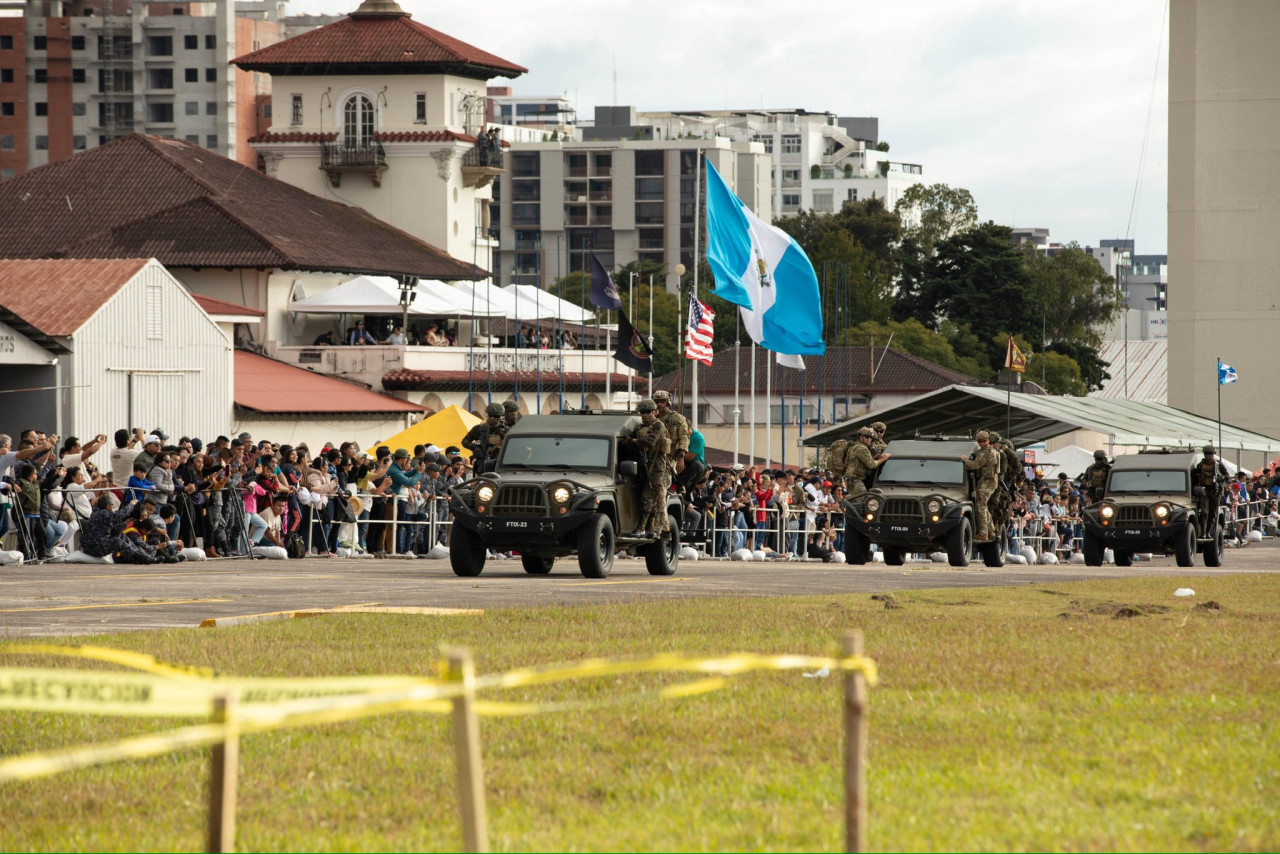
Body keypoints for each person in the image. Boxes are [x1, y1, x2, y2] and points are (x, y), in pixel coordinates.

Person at [626, 399, 669, 539]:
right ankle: (651, 529)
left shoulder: (658, 425)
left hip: (657, 468)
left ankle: (642, 528)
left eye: (647, 412)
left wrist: (634, 441)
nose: (645, 415)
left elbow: (651, 441)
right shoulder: (639, 428)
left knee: (648, 499)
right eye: (642, 413)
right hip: (643, 467)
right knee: (650, 499)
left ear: (654, 412)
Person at [962, 430, 1000, 543]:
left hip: (987, 482)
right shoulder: (991, 451)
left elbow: (974, 465)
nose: (982, 443)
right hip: (990, 481)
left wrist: (965, 460)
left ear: (988, 440)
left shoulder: (985, 452)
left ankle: (983, 533)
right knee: (983, 506)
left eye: (984, 441)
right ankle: (990, 530)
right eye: (980, 441)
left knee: (980, 507)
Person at [842, 427, 890, 500]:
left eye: (871, 437)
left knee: (856, 500)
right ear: (860, 437)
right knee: (863, 501)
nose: (869, 439)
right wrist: (883, 458)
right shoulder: (861, 448)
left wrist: (876, 457)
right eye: (867, 437)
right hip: (855, 480)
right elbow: (872, 465)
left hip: (852, 479)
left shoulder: (855, 446)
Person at [651, 390, 690, 475]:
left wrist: (681, 458)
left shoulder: (678, 418)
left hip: (669, 458)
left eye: (662, 401)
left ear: (668, 402)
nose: (659, 404)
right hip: (653, 457)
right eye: (656, 402)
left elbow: (684, 438)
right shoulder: (652, 419)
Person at [1194, 445, 1229, 536]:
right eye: (1207, 454)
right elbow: (1195, 478)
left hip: (1215, 491)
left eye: (1210, 454)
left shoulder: (1218, 464)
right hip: (1204, 491)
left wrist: (1220, 478)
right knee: (1204, 512)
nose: (1209, 456)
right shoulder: (1200, 465)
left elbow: (1227, 476)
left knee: (1213, 513)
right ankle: (1204, 532)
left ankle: (1209, 531)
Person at [462, 403, 507, 470]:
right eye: (490, 415)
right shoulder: (478, 429)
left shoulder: (505, 431)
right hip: (481, 463)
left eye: (495, 416)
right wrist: (475, 447)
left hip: (499, 463)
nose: (492, 418)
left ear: (501, 417)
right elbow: (465, 442)